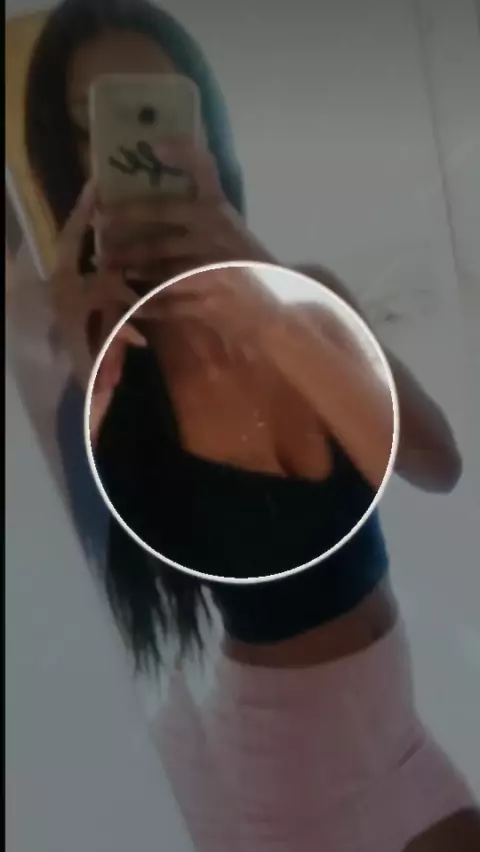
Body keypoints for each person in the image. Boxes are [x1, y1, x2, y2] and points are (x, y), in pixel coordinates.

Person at [24, 0, 479, 849]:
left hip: (396, 737)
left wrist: (254, 274)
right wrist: (77, 365)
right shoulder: (99, 380)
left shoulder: (307, 296)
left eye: (166, 111)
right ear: (72, 160)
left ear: (209, 129)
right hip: (277, 780)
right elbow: (81, 621)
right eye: (103, 125)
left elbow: (437, 462)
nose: (145, 149)